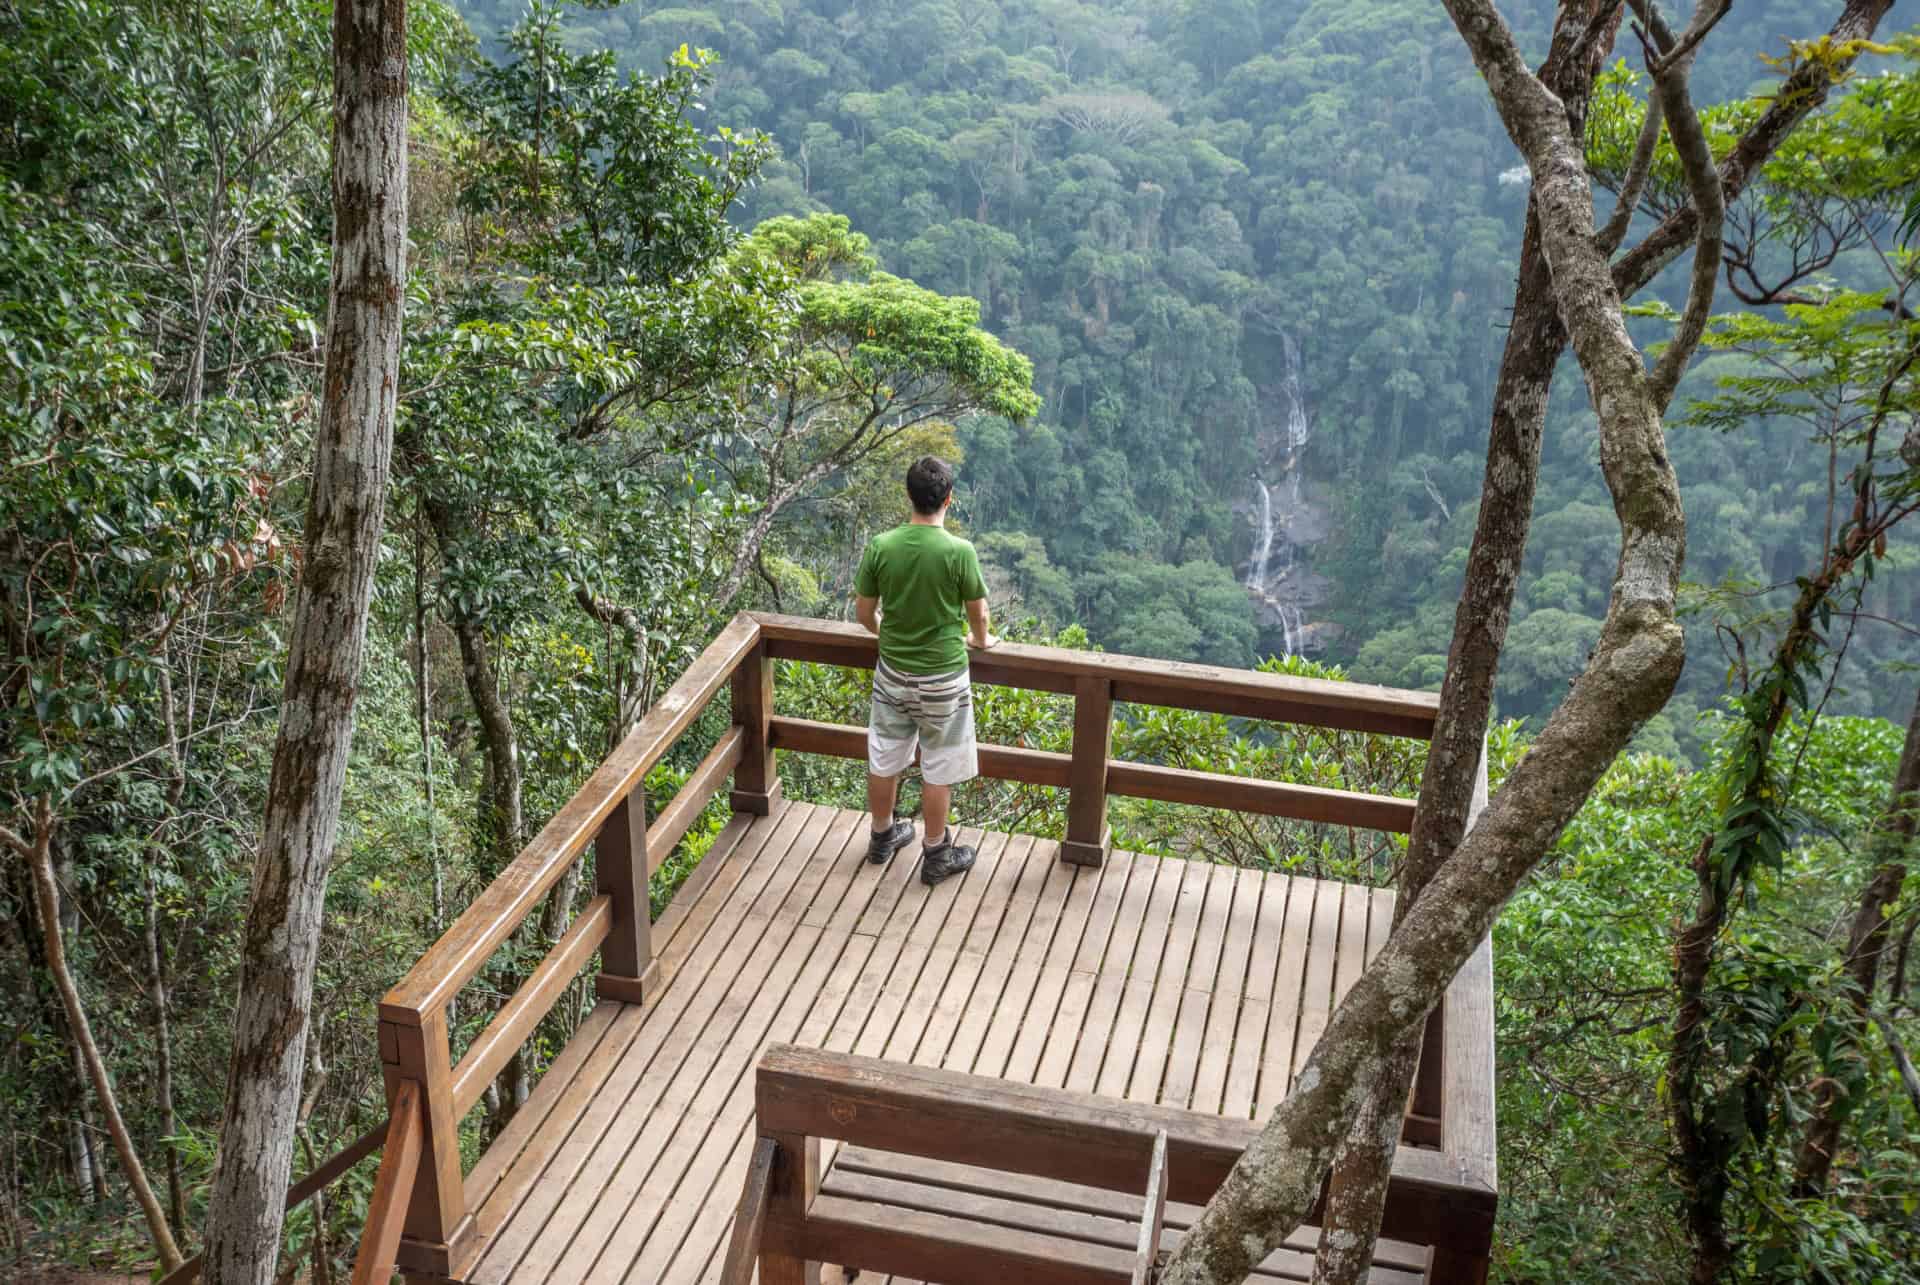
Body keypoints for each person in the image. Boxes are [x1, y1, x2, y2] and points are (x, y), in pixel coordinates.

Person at [854, 455, 997, 886]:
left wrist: (887, 636)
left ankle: (882, 837)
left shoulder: (882, 545)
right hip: (943, 679)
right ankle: (935, 853)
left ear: (908, 496)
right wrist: (980, 641)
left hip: (893, 673)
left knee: (885, 757)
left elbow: (864, 613)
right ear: (949, 499)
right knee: (939, 765)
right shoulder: (959, 551)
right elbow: (980, 613)